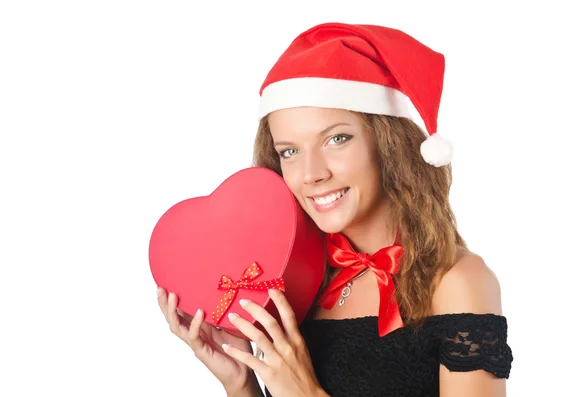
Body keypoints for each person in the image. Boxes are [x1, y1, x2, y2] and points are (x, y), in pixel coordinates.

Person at [156, 22, 513, 397]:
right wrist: (240, 381)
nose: (311, 174)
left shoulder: (458, 281)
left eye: (336, 139)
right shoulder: (296, 283)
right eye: (289, 151)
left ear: (389, 144)